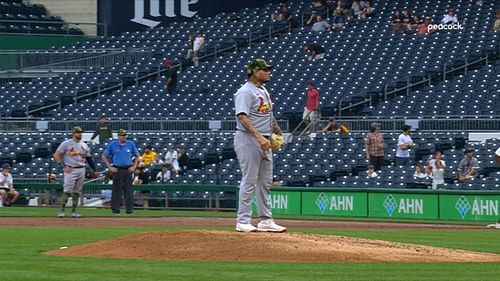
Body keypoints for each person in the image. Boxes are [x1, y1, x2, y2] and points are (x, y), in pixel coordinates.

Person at [233, 58, 286, 233]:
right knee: (249, 180)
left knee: (265, 182)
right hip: (248, 139)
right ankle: (243, 220)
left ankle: (265, 220)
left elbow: (268, 115)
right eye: (265, 69)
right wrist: (258, 137)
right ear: (255, 72)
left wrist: (277, 131)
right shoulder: (245, 92)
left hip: (264, 140)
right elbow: (242, 116)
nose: (268, 72)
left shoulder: (263, 90)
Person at [54, 126, 97, 218]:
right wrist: (63, 166)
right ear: (73, 133)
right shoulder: (66, 143)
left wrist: (94, 169)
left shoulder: (84, 145)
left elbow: (89, 158)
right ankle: (62, 211)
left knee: (77, 192)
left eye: (81, 132)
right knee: (66, 190)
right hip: (71, 168)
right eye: (78, 132)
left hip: (81, 168)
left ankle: (74, 211)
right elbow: (57, 155)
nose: (80, 134)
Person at [101, 129, 140, 215]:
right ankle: (116, 209)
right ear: (118, 136)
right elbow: (104, 156)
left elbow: (137, 155)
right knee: (116, 190)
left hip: (128, 169)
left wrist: (134, 166)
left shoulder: (130, 144)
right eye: (122, 135)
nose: (123, 137)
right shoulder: (113, 144)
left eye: (125, 135)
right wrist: (109, 166)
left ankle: (129, 210)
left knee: (128, 190)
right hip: (117, 169)